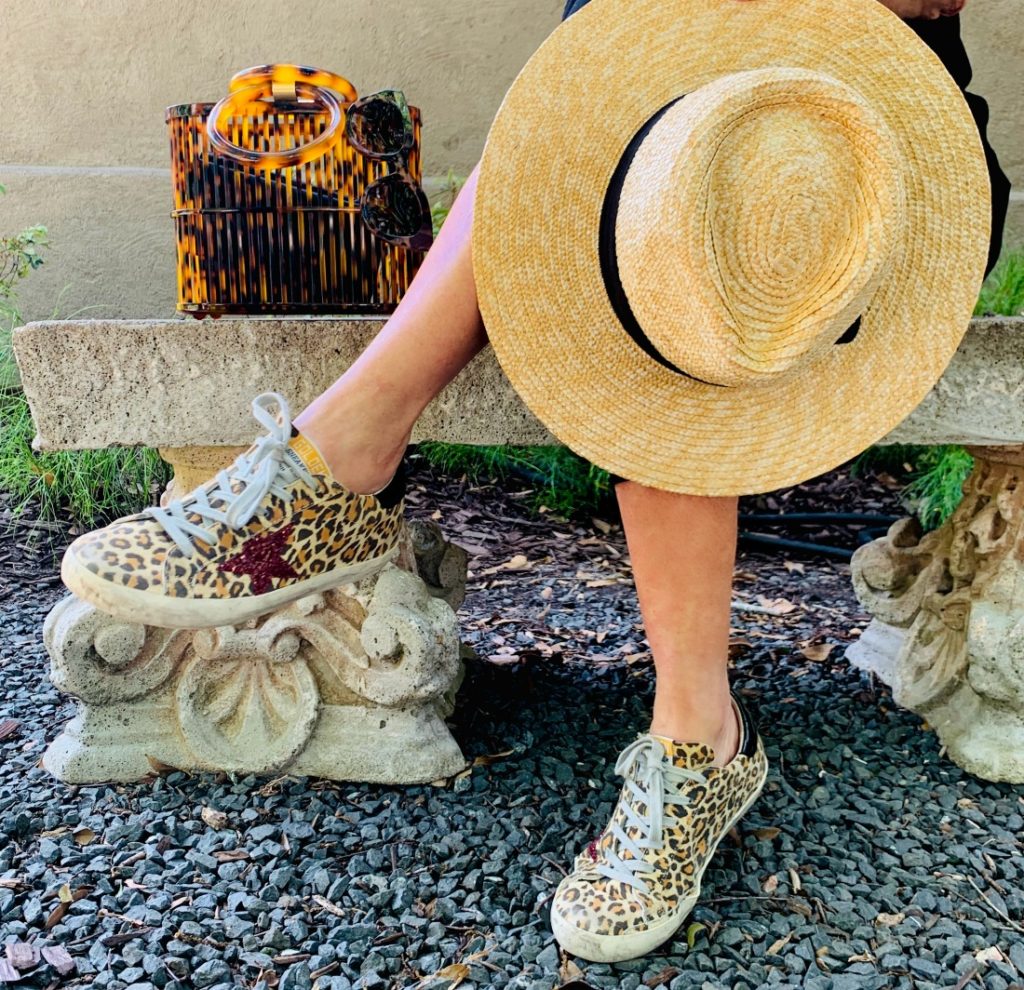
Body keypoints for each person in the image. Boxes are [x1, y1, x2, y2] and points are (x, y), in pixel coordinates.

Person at [61, 0, 1009, 964]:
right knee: (620, 189)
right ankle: (695, 733)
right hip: (661, 132)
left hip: (876, 160)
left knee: (646, 238)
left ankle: (347, 477)